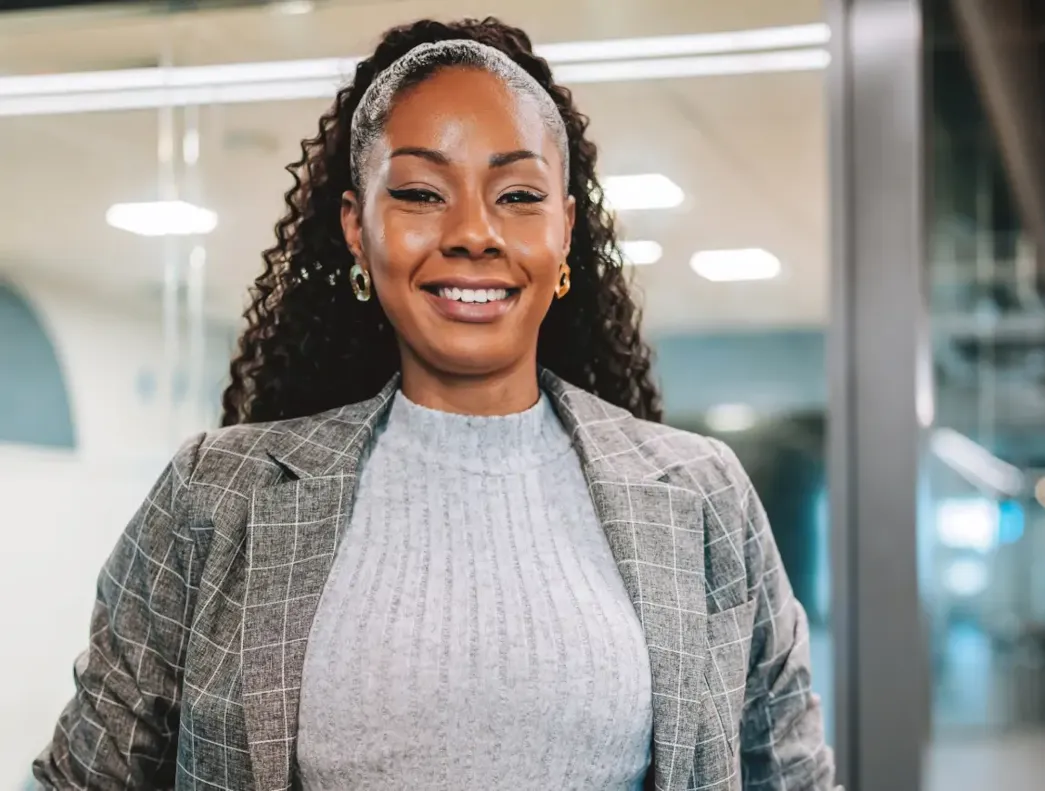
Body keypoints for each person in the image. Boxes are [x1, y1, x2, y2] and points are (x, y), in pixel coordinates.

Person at [33, 17, 834, 791]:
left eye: (518, 195)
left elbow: (790, 777)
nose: (474, 232)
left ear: (565, 228)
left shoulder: (699, 497)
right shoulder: (217, 496)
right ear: (357, 227)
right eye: (420, 192)